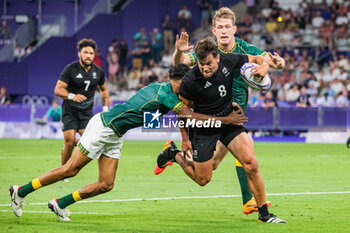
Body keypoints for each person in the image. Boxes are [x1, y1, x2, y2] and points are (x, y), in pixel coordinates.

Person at [9, 64, 248, 221]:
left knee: (106, 184)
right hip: (103, 127)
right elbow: (184, 114)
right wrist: (225, 119)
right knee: (70, 169)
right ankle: (21, 191)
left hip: (115, 133)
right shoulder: (165, 94)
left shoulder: (166, 91)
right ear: (177, 81)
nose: (187, 89)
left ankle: (59, 203)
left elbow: (171, 115)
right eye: (184, 84)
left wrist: (185, 138)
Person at [156, 38, 286, 223]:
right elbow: (183, 114)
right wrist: (185, 140)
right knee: (203, 179)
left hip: (228, 121)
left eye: (208, 63)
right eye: (201, 64)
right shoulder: (190, 80)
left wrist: (264, 67)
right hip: (204, 128)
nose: (205, 68)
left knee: (250, 162)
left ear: (217, 58)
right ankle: (173, 153)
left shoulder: (229, 59)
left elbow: (257, 58)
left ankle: (264, 213)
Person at [54, 38, 110, 167]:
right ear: (79, 54)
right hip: (70, 110)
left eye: (91, 53)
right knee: (69, 142)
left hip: (86, 112)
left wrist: (105, 109)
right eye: (85, 52)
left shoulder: (99, 72)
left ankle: (75, 145)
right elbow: (57, 89)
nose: (88, 56)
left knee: (90, 142)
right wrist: (72, 96)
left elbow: (104, 91)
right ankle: (63, 172)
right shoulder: (70, 69)